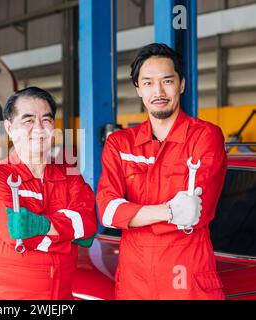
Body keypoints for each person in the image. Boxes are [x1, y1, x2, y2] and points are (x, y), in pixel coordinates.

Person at [96, 43, 227, 300]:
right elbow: (107, 212)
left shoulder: (205, 136)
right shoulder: (119, 143)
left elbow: (193, 214)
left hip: (188, 283)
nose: (158, 91)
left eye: (167, 81)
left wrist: (133, 215)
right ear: (138, 89)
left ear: (181, 84)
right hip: (134, 285)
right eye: (148, 83)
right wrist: (168, 211)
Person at [0, 87, 98, 300]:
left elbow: (88, 227)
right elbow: (16, 235)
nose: (39, 128)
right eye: (28, 121)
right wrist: (68, 235)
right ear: (10, 128)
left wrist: (41, 226)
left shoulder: (69, 176)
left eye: (46, 120)